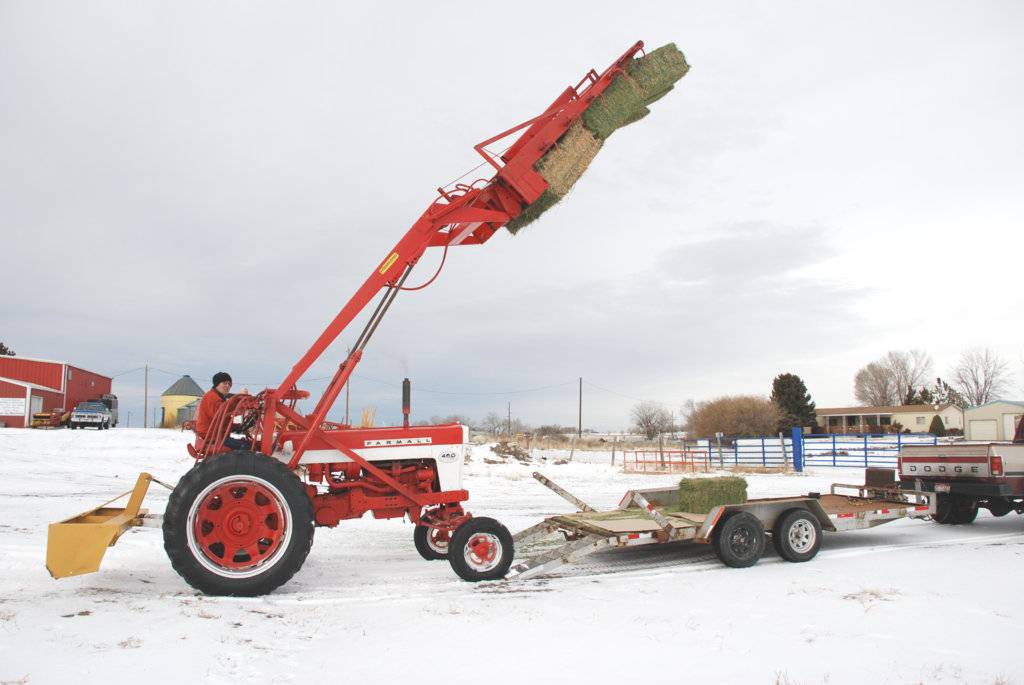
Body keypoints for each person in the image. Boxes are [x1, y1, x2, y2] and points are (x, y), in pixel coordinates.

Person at [195, 371, 250, 451]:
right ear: (217, 384)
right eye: (224, 383)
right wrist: (238, 398)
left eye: (229, 384)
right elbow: (221, 414)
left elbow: (225, 414)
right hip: (211, 435)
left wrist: (236, 426)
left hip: (215, 434)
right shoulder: (212, 397)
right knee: (246, 447)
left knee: (246, 443)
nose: (228, 386)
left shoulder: (218, 397)